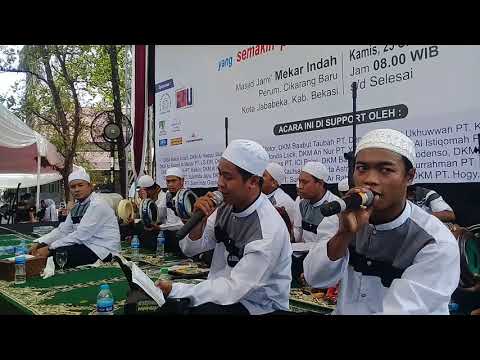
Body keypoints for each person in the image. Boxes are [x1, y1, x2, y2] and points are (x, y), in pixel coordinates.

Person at [303, 128, 460, 314]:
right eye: (362, 168)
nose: (370, 180)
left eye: (385, 170)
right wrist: (344, 234)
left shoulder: (434, 241)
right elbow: (315, 278)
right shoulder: (344, 218)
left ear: (409, 176)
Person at [156, 139, 292, 315]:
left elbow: (235, 288)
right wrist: (198, 223)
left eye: (227, 177)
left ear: (252, 181)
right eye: (219, 174)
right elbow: (190, 249)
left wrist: (176, 290)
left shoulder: (267, 230)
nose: (220, 183)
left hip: (258, 306)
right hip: (222, 293)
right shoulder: (226, 206)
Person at [30, 170, 121, 269]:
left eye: (80, 185)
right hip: (86, 245)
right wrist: (40, 243)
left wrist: (50, 248)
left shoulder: (97, 204)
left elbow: (81, 235)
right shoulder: (77, 206)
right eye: (73, 187)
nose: (76, 189)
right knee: (53, 252)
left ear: (90, 186)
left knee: (58, 255)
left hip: (103, 250)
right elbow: (63, 231)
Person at [292, 162, 340, 251]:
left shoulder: (334, 206)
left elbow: (328, 245)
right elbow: (298, 232)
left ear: (320, 184)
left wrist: (297, 247)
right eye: (299, 181)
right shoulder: (300, 202)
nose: (300, 186)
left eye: (305, 182)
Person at [262, 162, 296, 227]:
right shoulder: (258, 193)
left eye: (264, 175)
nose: (259, 177)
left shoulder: (283, 201)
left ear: (273, 183)